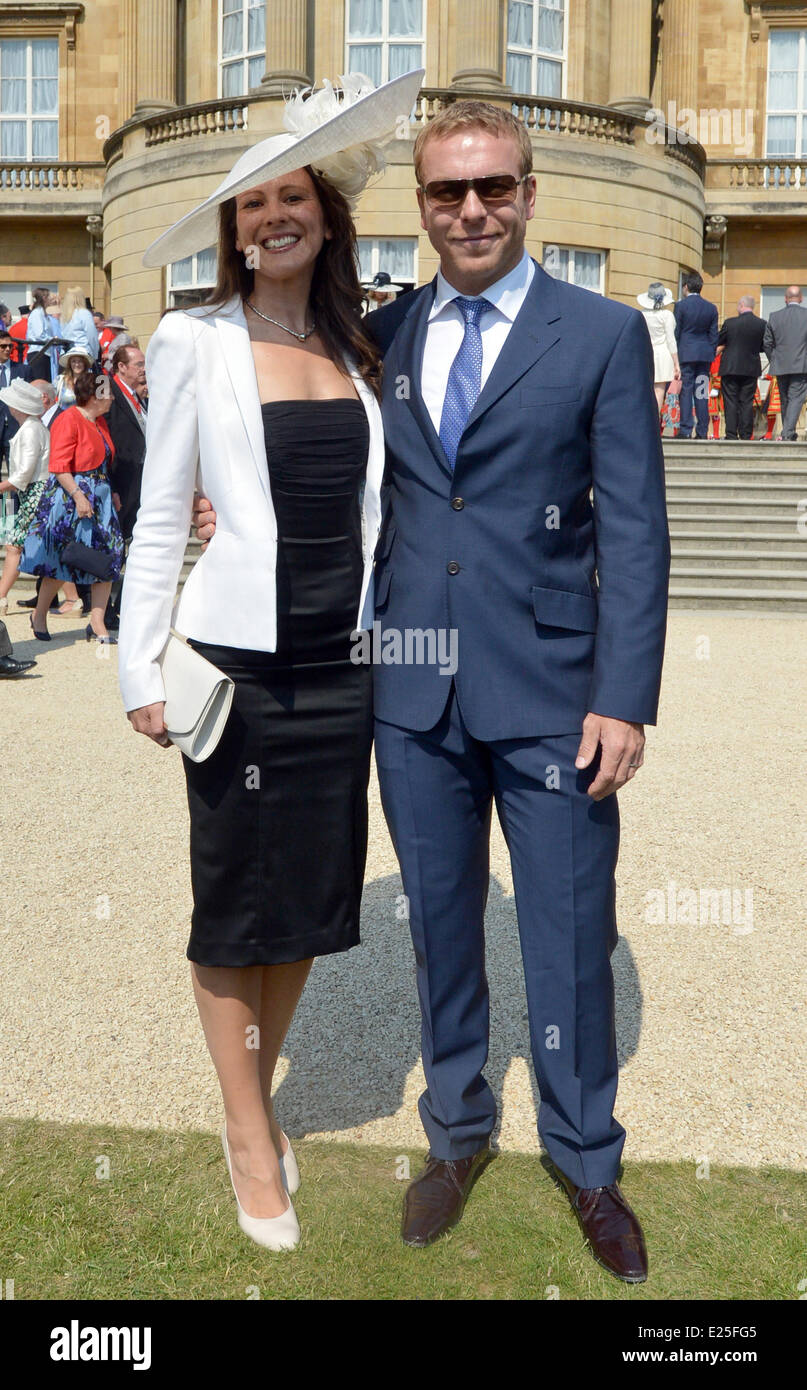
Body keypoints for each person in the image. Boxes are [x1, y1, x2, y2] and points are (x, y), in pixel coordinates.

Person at [196, 98, 670, 1283]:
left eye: (493, 188)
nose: (472, 210)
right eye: (449, 193)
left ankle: (587, 1158)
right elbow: (306, 456)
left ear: (526, 193)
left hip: (558, 691)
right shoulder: (380, 338)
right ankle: (455, 1136)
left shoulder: (601, 334)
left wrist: (627, 694)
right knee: (440, 930)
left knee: (567, 936)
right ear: (420, 206)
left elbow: (641, 534)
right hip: (408, 695)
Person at [118, 68, 424, 1254]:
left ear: (326, 216)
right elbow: (160, 515)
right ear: (234, 230)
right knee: (230, 910)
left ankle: (254, 1095)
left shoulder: (359, 348)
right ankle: (251, 1134)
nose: (273, 218)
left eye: (293, 197)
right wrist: (140, 668)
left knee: (306, 906)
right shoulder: (191, 337)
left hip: (339, 670)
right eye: (252, 206)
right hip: (236, 669)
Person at [21, 369, 123, 643]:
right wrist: (79, 496)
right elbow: (59, 465)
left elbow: (102, 461)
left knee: (109, 557)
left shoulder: (100, 422)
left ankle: (97, 622)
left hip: (100, 497)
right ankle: (39, 614)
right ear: (95, 395)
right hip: (72, 497)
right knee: (63, 560)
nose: (113, 398)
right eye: (109, 393)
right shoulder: (68, 419)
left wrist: (110, 491)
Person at [105, 345, 148, 627]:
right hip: (119, 482)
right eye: (139, 364)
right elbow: (100, 430)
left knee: (135, 546)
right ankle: (103, 608)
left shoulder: (141, 396)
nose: (144, 369)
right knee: (113, 549)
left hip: (141, 481)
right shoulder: (106, 387)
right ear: (121, 367)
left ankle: (123, 603)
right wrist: (110, 486)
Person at [0, 379, 51, 615]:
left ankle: (0, 597)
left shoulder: (31, 429)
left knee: (14, 546)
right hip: (30, 492)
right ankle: (73, 598)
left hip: (34, 493)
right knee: (46, 547)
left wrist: (3, 486)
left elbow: (24, 473)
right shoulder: (31, 426)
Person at [674, 272, 718, 438]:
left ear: (686, 287)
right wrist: (710, 353)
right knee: (701, 392)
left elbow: (676, 332)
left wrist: (676, 356)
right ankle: (702, 430)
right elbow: (714, 335)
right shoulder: (711, 307)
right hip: (704, 355)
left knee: (686, 391)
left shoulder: (681, 306)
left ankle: (685, 429)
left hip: (686, 353)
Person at [717, 296, 767, 440]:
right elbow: (764, 346)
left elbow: (719, 341)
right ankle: (746, 434)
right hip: (750, 368)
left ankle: (731, 434)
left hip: (730, 368)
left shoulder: (729, 323)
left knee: (730, 401)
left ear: (742, 305)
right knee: (747, 401)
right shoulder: (761, 324)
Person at [762, 286, 807, 441]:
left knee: (785, 398)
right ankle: (788, 432)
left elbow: (767, 343)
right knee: (796, 398)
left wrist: (774, 359)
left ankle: (789, 431)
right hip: (801, 364)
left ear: (785, 299)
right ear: (800, 298)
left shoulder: (774, 316)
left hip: (780, 365)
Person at [636, 281, 680, 416]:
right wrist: (676, 363)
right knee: (659, 391)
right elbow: (671, 340)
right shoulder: (666, 315)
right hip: (662, 354)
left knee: (644, 390)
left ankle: (644, 421)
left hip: (645, 353)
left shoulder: (641, 314)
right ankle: (654, 423)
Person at [0, 330, 33, 464]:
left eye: (10, 346)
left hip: (15, 430)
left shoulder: (24, 370)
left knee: (15, 476)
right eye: (3, 346)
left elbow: (31, 399)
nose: (8, 349)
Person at [26, 288, 61, 382]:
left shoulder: (43, 313)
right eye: (50, 296)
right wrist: (53, 339)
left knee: (45, 384)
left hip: (45, 353)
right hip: (38, 353)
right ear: (44, 298)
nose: (52, 299)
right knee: (40, 384)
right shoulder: (37, 313)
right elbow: (39, 335)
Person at [61, 286, 100, 363]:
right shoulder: (84, 313)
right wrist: (95, 355)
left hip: (67, 354)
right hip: (83, 353)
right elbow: (92, 336)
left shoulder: (64, 317)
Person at [52, 345, 96, 412]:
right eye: (74, 361)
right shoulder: (60, 380)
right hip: (64, 419)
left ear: (85, 363)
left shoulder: (91, 381)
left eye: (80, 361)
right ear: (69, 364)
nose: (77, 364)